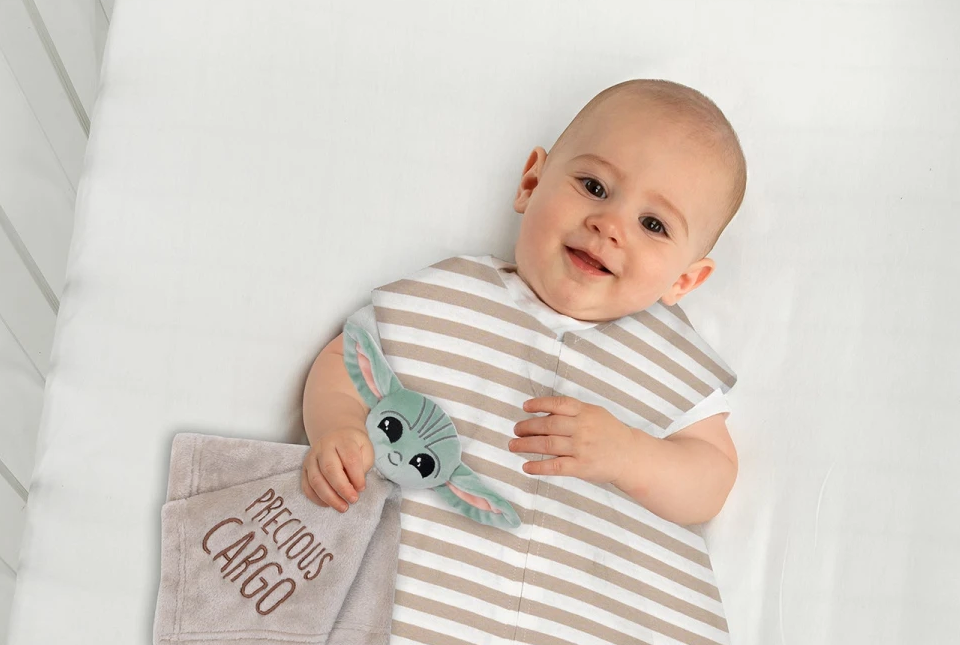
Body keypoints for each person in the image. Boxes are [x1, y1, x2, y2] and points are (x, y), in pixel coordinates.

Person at [300, 78, 746, 528]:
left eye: (653, 224)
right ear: (531, 183)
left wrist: (630, 455)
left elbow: (712, 479)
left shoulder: (668, 362)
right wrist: (340, 428)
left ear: (685, 280)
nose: (609, 225)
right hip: (420, 560)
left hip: (576, 571)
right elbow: (349, 358)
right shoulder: (455, 299)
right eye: (594, 187)